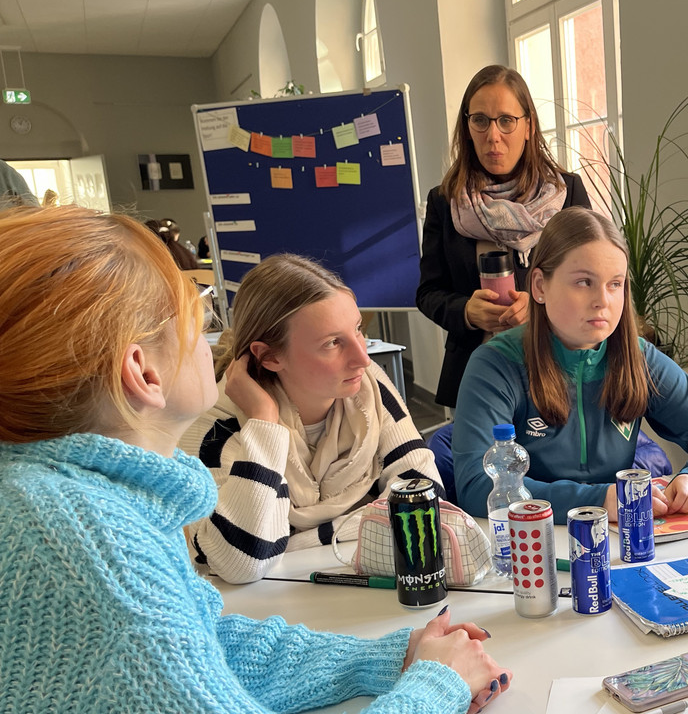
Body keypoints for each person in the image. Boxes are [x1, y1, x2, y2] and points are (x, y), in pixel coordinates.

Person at [0, 206, 509, 714]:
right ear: (143, 372)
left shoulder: (68, 500)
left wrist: (388, 657)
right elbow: (191, 604)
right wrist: (434, 686)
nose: (216, 347)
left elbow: (207, 642)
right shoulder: (91, 541)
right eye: (197, 327)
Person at [451, 208, 688, 523]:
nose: (603, 301)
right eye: (584, 282)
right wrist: (596, 500)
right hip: (531, 543)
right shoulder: (495, 364)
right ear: (539, 286)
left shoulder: (640, 358)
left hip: (616, 535)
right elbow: (477, 486)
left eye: (615, 284)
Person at [180, 254, 443, 584]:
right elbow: (241, 563)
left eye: (358, 330)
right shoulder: (216, 426)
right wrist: (264, 422)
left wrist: (291, 543)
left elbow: (428, 500)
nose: (362, 358)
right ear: (270, 356)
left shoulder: (367, 386)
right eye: (333, 343)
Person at [417, 64, 591, 409]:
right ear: (467, 128)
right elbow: (428, 292)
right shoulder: (445, 201)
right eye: (480, 120)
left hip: (557, 368)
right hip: (475, 371)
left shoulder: (565, 192)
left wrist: (540, 306)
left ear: (528, 126)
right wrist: (466, 310)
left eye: (506, 121)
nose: (493, 136)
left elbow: (590, 281)